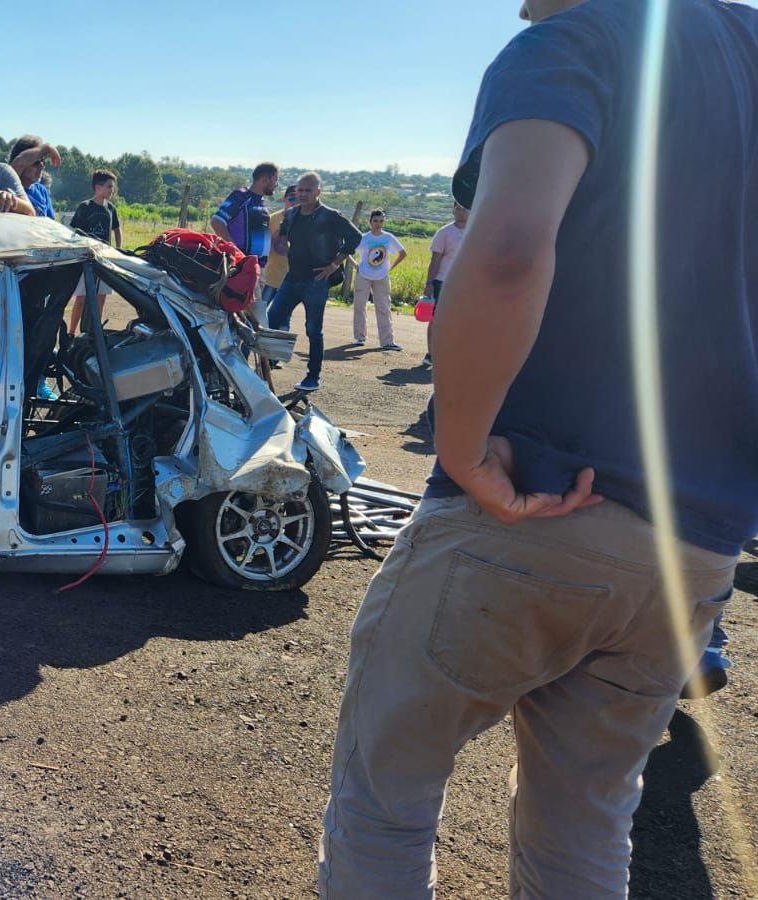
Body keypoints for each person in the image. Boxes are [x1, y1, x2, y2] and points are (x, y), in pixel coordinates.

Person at [318, 2, 758, 898]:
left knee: (385, 796)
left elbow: (511, 248)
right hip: (696, 543)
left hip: (538, 492)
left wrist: (467, 449)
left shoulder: (576, 40)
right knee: (585, 828)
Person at [268, 172, 360, 392]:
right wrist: (281, 247)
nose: (303, 194)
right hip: (292, 278)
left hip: (317, 281)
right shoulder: (290, 215)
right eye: (300, 190)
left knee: (313, 330)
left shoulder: (330, 216)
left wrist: (335, 264)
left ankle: (312, 377)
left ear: (318, 192)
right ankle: (267, 369)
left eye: (308, 190)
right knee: (272, 320)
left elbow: (355, 237)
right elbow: (282, 236)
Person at [66, 169, 122, 336]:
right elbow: (74, 232)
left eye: (112, 187)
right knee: (82, 298)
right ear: (97, 187)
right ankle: (70, 332)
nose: (112, 190)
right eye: (109, 186)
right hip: (87, 259)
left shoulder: (111, 209)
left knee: (101, 297)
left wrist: (118, 249)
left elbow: (117, 230)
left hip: (105, 259)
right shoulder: (85, 207)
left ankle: (93, 331)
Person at [420, 201, 467, 369]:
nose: (461, 212)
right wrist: (429, 283)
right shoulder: (445, 232)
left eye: (464, 209)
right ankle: (431, 354)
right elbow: (435, 260)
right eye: (458, 208)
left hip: (466, 284)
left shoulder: (476, 232)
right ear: (453, 210)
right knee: (437, 320)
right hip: (443, 282)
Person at [351, 209, 406, 350]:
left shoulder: (388, 237)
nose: (378, 224)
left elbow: (402, 253)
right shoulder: (364, 238)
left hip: (381, 276)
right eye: (375, 221)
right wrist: (356, 265)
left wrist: (390, 268)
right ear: (370, 222)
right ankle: (359, 337)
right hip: (363, 275)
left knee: (383, 308)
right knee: (359, 307)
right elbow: (346, 251)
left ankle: (387, 341)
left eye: (381, 221)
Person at [211, 162, 278, 262]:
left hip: (257, 265)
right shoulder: (241, 196)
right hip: (240, 266)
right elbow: (217, 222)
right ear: (265, 179)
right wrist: (235, 252)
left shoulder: (261, 202)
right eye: (276, 179)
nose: (277, 184)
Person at [257, 185, 296, 322]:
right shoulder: (272, 219)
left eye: (298, 199)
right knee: (258, 314)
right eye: (291, 198)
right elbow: (266, 246)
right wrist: (281, 230)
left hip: (292, 278)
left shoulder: (307, 221)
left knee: (284, 318)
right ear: (284, 199)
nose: (294, 202)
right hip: (271, 275)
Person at [9, 135, 61, 220]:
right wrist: (46, 147)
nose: (41, 166)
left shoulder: (42, 191)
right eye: (36, 162)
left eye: (43, 161)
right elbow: (18, 163)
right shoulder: (9, 186)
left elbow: (50, 224)